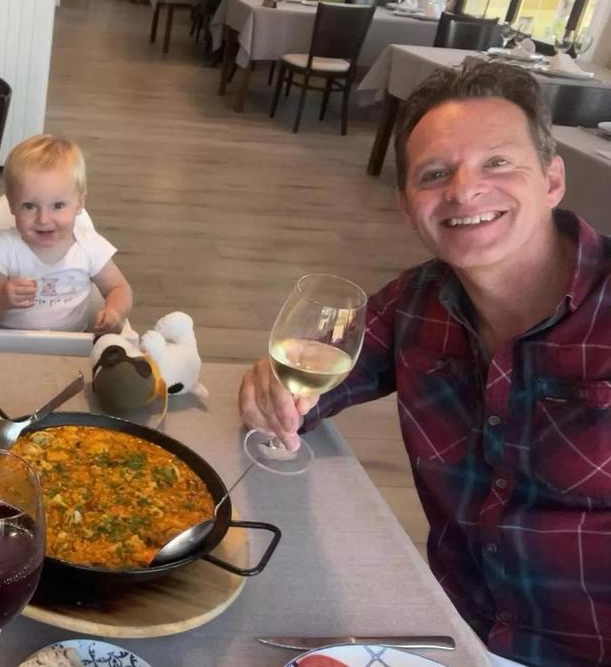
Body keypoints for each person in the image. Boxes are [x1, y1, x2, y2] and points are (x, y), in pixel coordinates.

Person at [239, 60, 611, 667]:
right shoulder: (414, 303)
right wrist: (274, 393)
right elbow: (313, 380)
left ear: (552, 179)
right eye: (436, 174)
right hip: (446, 636)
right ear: (409, 207)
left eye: (497, 163)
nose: (464, 191)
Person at [0, 134, 133, 334]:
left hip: (71, 349)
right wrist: (1, 299)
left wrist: (114, 311)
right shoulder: (4, 248)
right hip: (9, 346)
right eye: (29, 206)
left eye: (57, 206)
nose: (43, 219)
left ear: (79, 203)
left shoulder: (89, 246)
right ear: (12, 206)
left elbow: (120, 289)